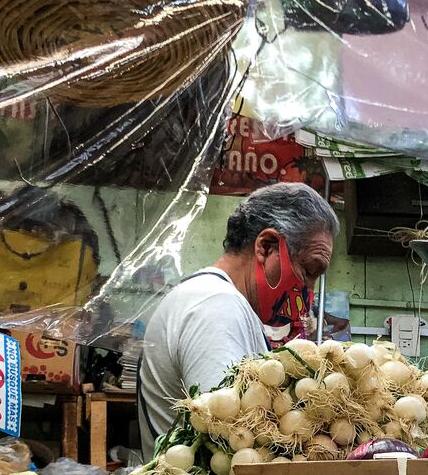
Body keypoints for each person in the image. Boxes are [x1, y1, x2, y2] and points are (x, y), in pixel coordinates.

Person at [138, 183, 339, 454]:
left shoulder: (223, 301)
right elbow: (229, 435)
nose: (309, 291)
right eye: (308, 270)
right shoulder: (216, 306)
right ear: (266, 247)